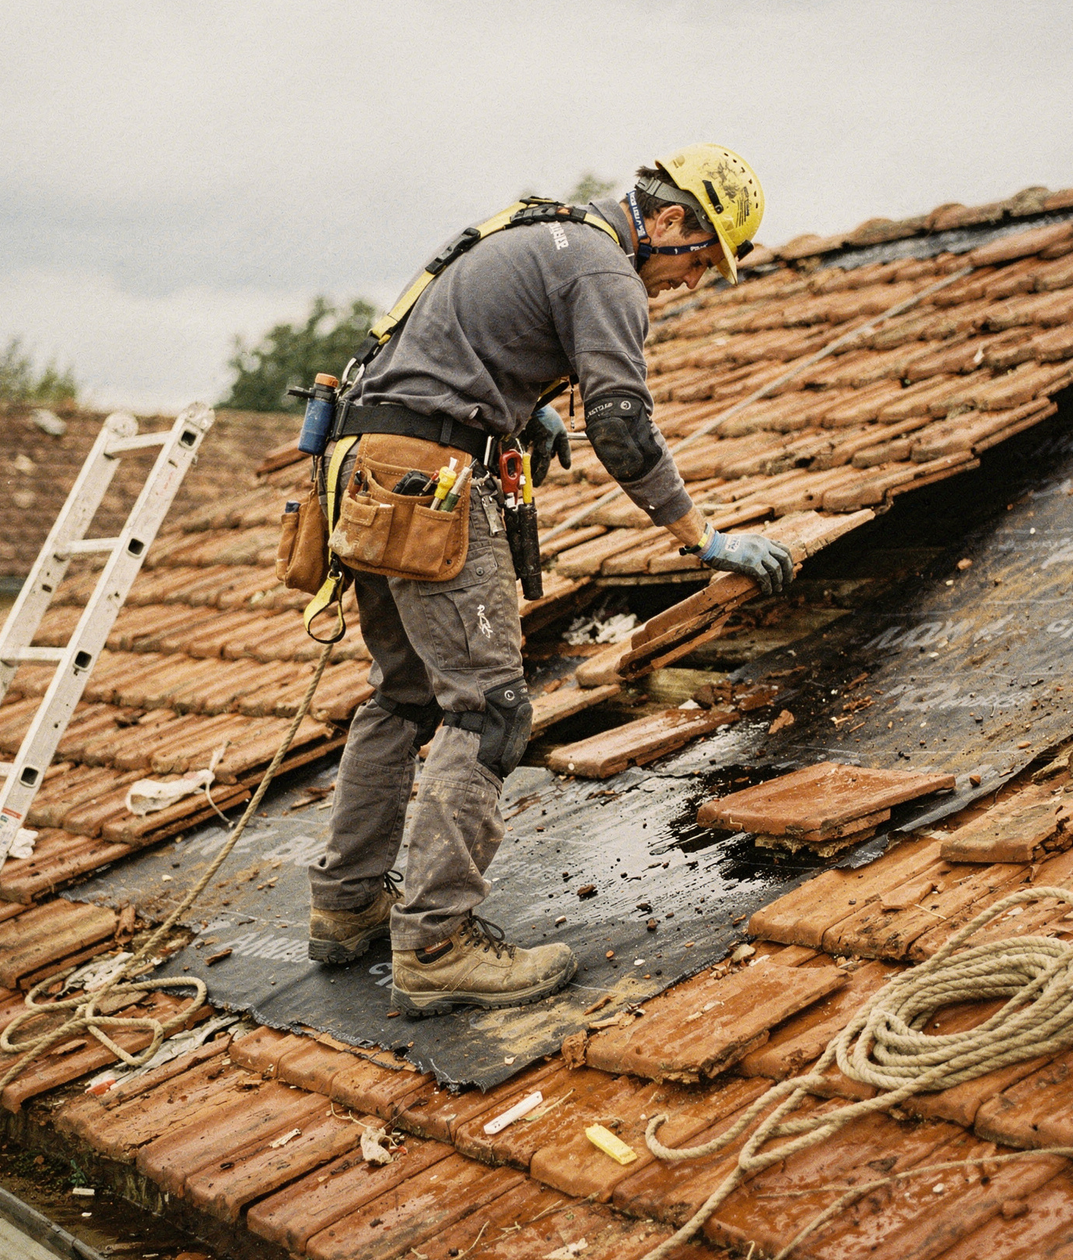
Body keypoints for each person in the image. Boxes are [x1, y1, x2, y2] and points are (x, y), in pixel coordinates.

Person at [307, 145, 794, 1017]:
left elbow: (450, 340)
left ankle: (346, 909)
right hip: (433, 478)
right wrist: (703, 535)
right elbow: (622, 424)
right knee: (488, 710)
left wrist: (518, 403)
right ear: (673, 222)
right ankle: (437, 945)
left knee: (407, 694)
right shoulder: (608, 269)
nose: (687, 286)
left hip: (367, 468)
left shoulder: (548, 232)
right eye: (697, 264)